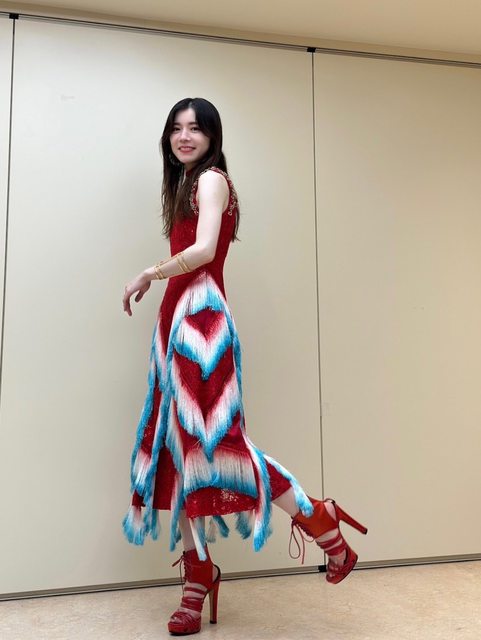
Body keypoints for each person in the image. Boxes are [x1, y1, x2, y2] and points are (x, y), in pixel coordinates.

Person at [122, 97, 367, 636]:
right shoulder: (185, 184)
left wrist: (149, 273)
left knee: (220, 443)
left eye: (196, 128)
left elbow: (205, 250)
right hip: (176, 322)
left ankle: (317, 517)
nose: (184, 136)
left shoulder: (211, 180)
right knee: (176, 448)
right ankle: (198, 573)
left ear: (213, 136)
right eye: (176, 128)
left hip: (202, 324)